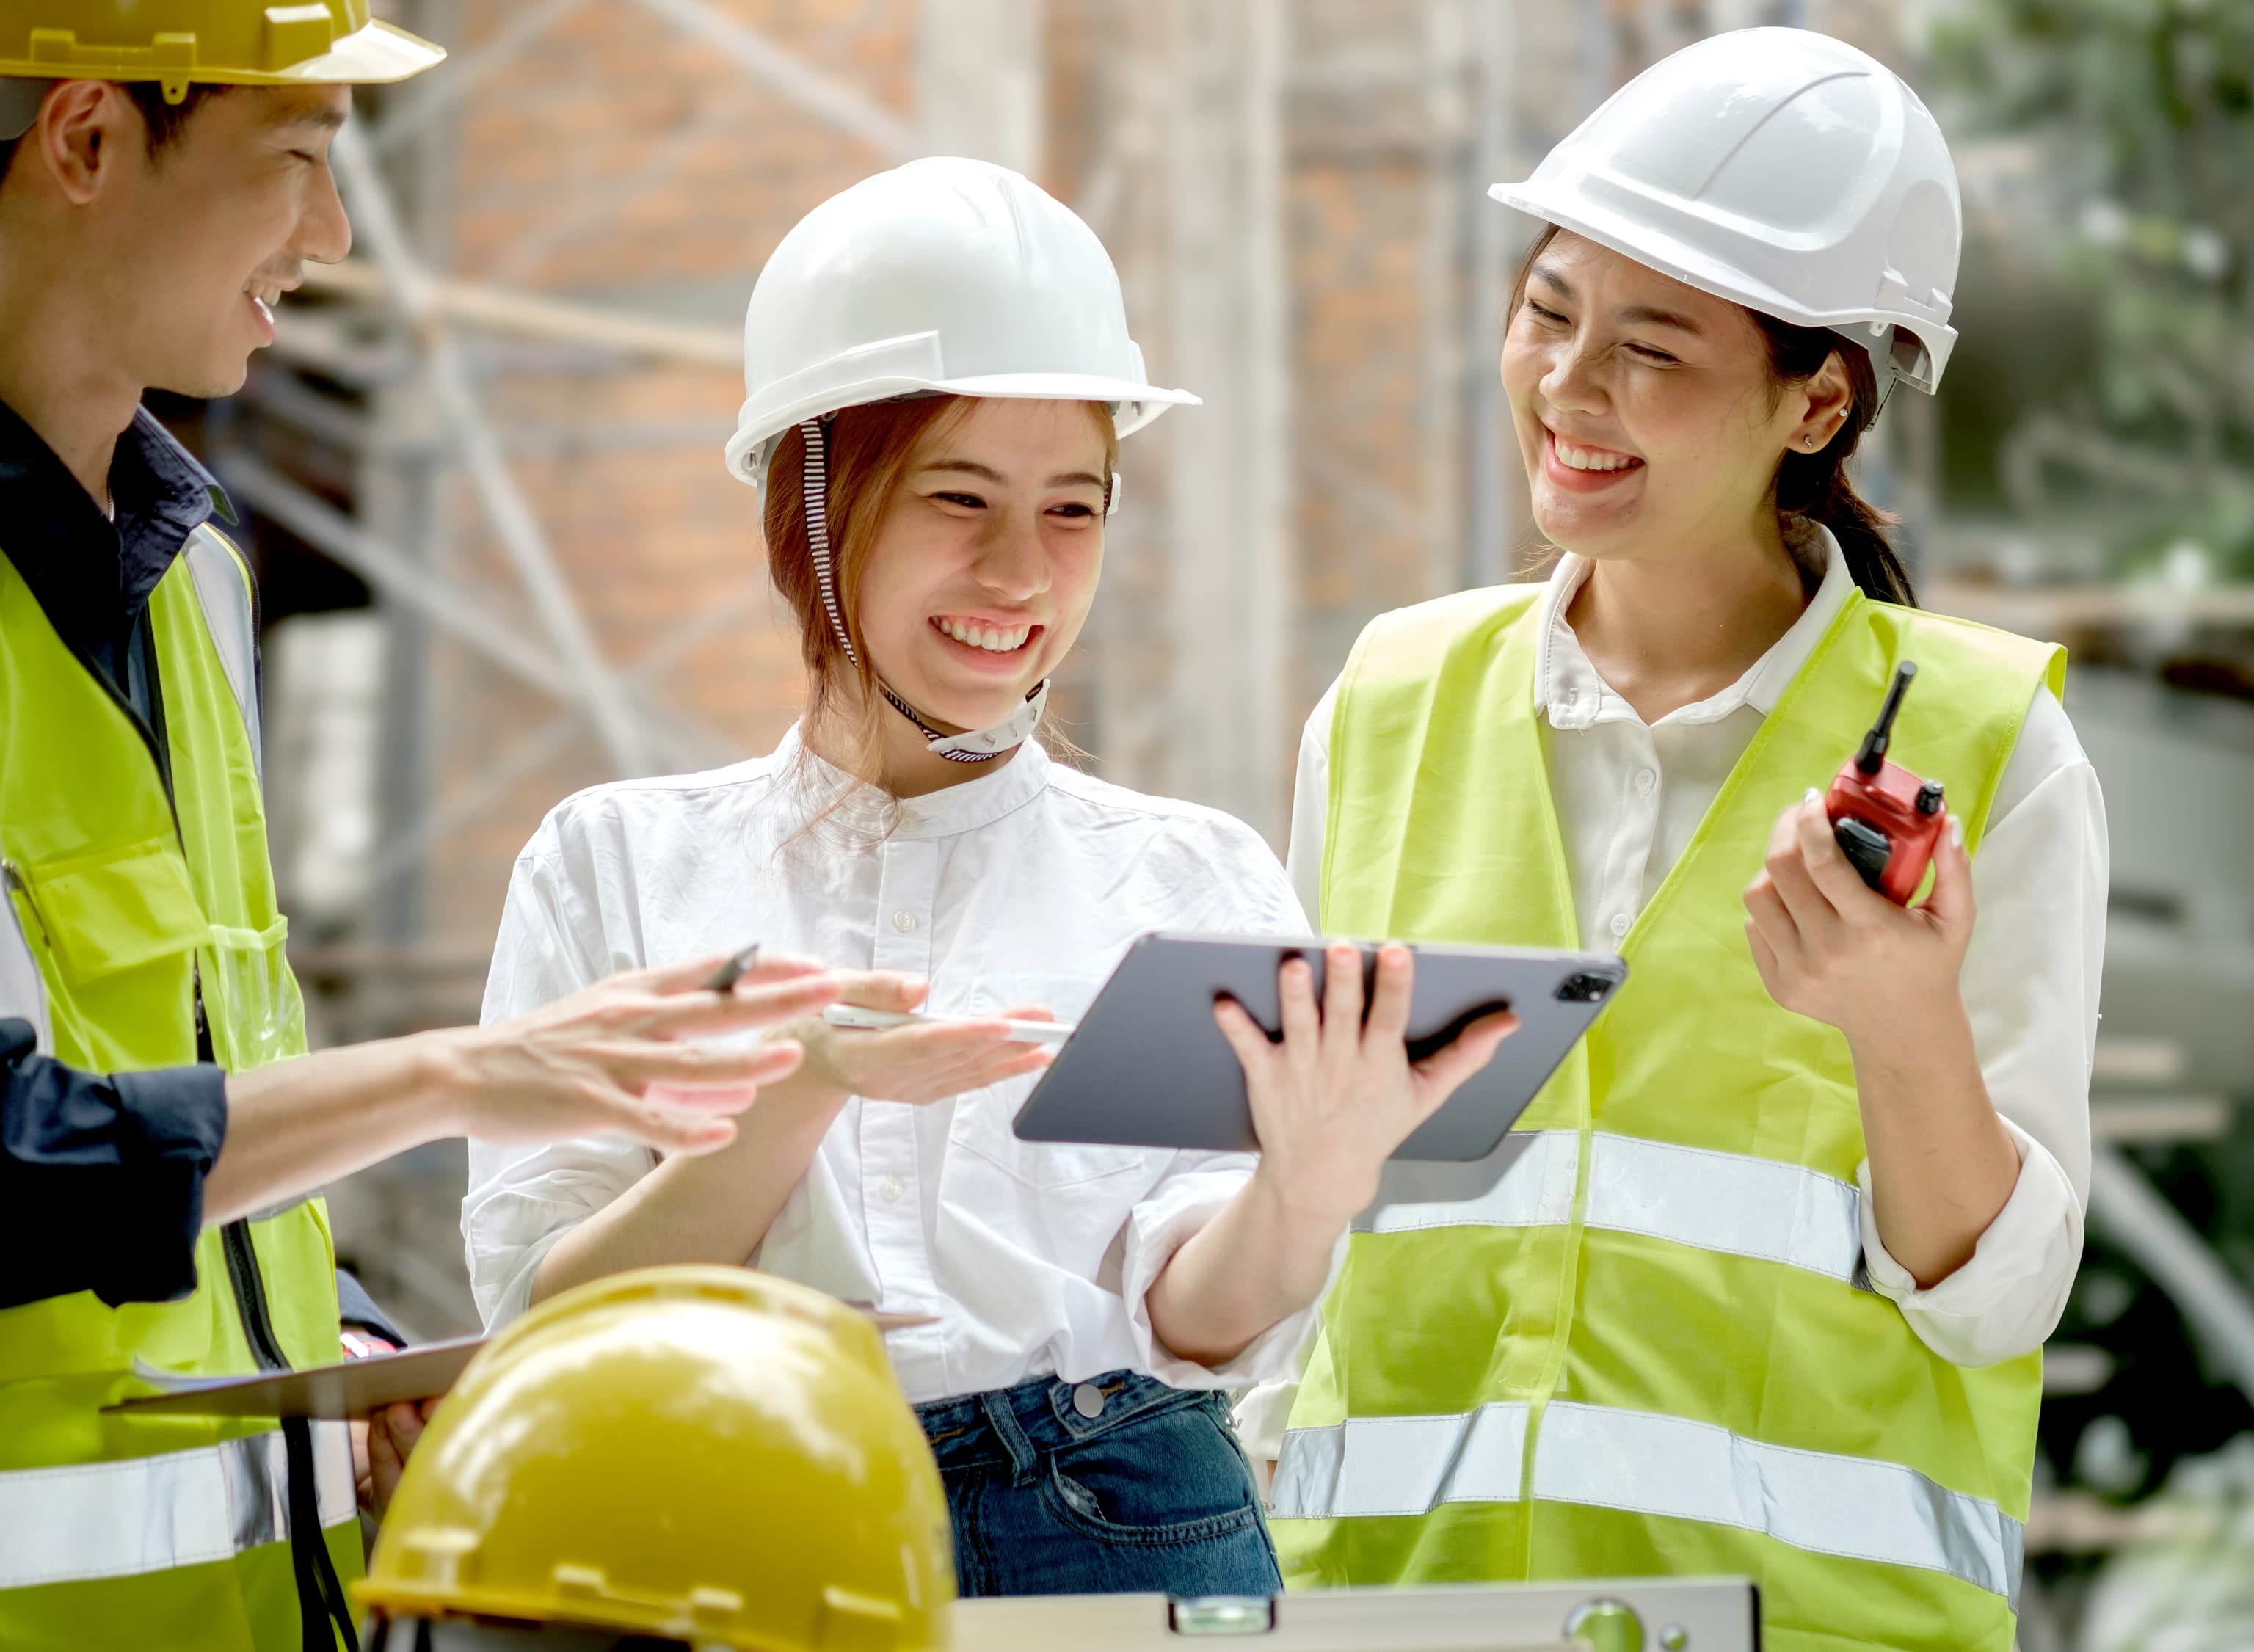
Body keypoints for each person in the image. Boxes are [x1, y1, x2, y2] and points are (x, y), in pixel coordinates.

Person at [0, 0, 845, 1649]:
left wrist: (330, 1343)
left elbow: (192, 1086)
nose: (334, 234)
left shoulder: (190, 586)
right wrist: (462, 1073)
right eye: (296, 155)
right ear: (88, 137)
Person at [461, 156, 1516, 1601]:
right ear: (810, 499)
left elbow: (1196, 1317)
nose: (1021, 572)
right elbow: (547, 1321)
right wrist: (790, 1097)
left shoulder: (1184, 871)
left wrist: (1307, 1191)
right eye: (960, 496)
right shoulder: (622, 865)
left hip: (1118, 1512)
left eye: (1074, 509)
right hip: (728, 1519)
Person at [1254, 28, 2106, 1651]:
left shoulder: (1991, 752)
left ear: (1819, 395)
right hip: (1400, 1622)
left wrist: (1900, 1022)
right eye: (1548, 311)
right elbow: (1296, 1220)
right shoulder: (1384, 704)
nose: (1569, 386)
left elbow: (1996, 1296)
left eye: (1653, 348)